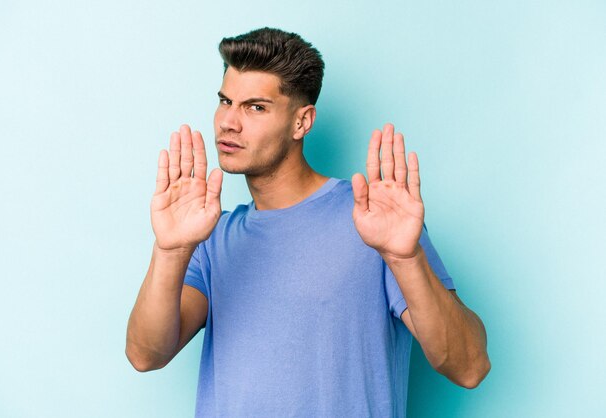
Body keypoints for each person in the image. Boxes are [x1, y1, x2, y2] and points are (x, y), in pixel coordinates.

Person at [125, 27, 490, 417]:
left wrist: (405, 258)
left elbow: (469, 367)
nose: (228, 122)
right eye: (225, 101)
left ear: (302, 122)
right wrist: (171, 249)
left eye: (255, 107)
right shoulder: (210, 237)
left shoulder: (373, 221)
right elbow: (146, 354)